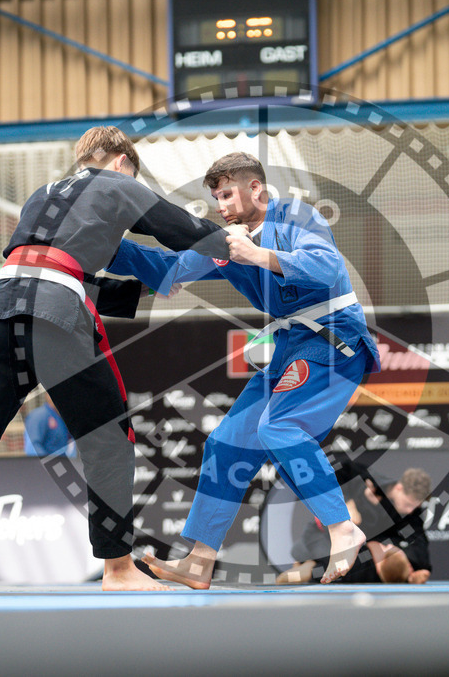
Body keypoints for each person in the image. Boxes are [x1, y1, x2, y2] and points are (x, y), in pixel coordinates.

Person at [0, 126, 230, 592]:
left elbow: (48, 269)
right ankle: (118, 569)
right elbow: (185, 233)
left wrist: (141, 289)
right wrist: (235, 239)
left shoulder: (40, 196)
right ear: (123, 161)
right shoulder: (121, 184)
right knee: (106, 439)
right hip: (56, 313)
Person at [107, 152, 381, 588]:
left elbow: (328, 266)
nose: (222, 205)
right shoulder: (225, 243)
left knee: (280, 427)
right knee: (227, 443)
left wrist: (259, 254)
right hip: (291, 346)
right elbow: (170, 269)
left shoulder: (295, 216)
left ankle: (342, 526)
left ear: (257, 188)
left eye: (228, 194)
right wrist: (102, 241)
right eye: (216, 197)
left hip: (334, 340)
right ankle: (199, 560)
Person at [277, 465, 433, 585]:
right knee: (338, 559)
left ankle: (310, 568)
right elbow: (335, 474)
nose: (410, 510)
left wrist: (416, 567)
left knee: (364, 566)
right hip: (327, 536)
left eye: (414, 506)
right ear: (399, 488)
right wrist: (347, 502)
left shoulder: (412, 514)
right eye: (407, 504)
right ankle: (305, 568)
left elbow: (419, 542)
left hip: (362, 548)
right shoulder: (369, 479)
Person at [23, 393, 75, 458]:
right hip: (46, 465)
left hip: (63, 463)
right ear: (47, 395)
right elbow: (32, 447)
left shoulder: (65, 417)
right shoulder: (38, 416)